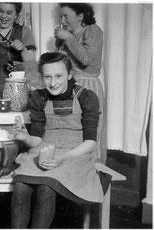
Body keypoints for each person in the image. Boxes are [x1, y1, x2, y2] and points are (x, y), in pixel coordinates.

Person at [11, 52, 107, 228]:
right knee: (20, 186)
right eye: (47, 77)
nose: (53, 83)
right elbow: (38, 140)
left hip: (76, 154)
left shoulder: (86, 97)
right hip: (45, 149)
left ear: (70, 75)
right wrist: (25, 137)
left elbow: (91, 143)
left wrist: (63, 158)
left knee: (46, 187)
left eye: (58, 76)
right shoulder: (38, 97)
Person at [54, 3, 106, 163]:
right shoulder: (66, 35)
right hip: (68, 87)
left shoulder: (93, 30)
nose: (62, 20)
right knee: (70, 134)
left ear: (81, 16)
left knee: (89, 134)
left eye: (66, 16)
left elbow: (85, 59)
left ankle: (91, 180)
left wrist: (67, 37)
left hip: (87, 87)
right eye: (61, 16)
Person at [0, 2, 36, 96]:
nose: (4, 16)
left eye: (9, 13)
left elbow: (32, 65)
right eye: (1, 11)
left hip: (16, 87)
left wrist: (23, 50)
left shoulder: (25, 31)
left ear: (16, 15)